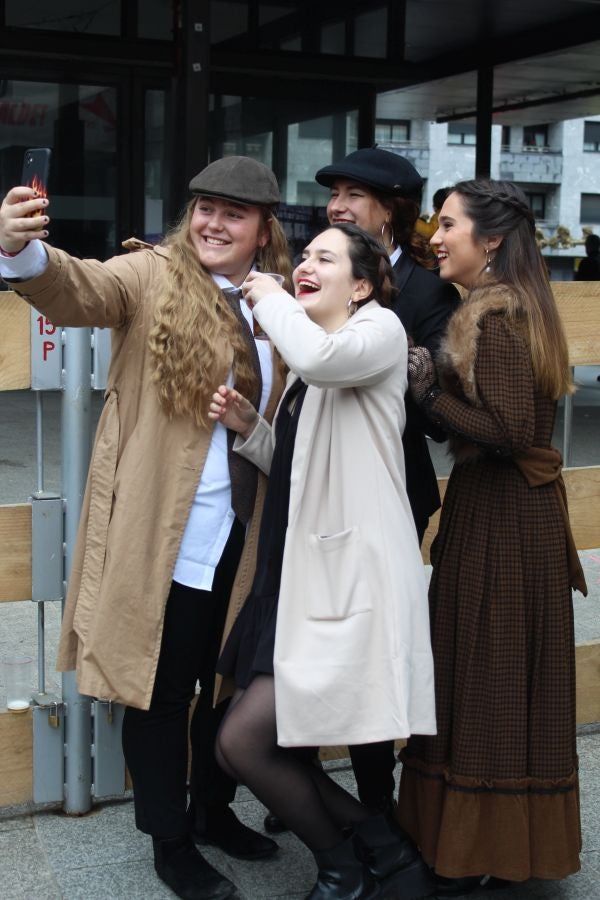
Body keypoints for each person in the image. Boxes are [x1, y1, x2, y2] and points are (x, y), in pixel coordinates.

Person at [0, 155, 293, 900]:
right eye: (204, 208)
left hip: (248, 534)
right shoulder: (154, 275)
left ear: (265, 228)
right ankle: (169, 840)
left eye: (234, 213)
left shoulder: (279, 300)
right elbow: (78, 289)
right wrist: (19, 249)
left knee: (226, 684)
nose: (213, 223)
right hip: (165, 535)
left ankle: (212, 812)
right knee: (160, 690)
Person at [208, 223, 437, 900]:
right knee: (240, 740)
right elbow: (306, 472)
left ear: (361, 285)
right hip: (305, 583)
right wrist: (255, 431)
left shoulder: (380, 332)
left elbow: (317, 358)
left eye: (323, 259)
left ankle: (346, 868)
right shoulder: (317, 365)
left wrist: (269, 296)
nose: (304, 265)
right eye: (302, 256)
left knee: (244, 740)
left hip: (355, 583)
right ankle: (383, 855)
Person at [398, 179, 587, 895]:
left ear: (493, 240)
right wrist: (435, 395)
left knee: (485, 678)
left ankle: (480, 849)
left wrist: (428, 393)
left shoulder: (500, 316)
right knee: (489, 677)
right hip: (502, 512)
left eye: (448, 225)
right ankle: (489, 845)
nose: (434, 237)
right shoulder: (503, 306)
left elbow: (509, 432)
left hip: (506, 520)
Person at [312, 147, 459, 817]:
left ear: (392, 210)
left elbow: (435, 418)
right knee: (314, 645)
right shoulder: (314, 271)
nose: (337, 205)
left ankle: (377, 809)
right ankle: (299, 787)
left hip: (390, 498)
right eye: (334, 193)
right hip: (314, 494)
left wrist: (392, 359)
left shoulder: (430, 293)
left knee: (370, 657)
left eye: (354, 195)